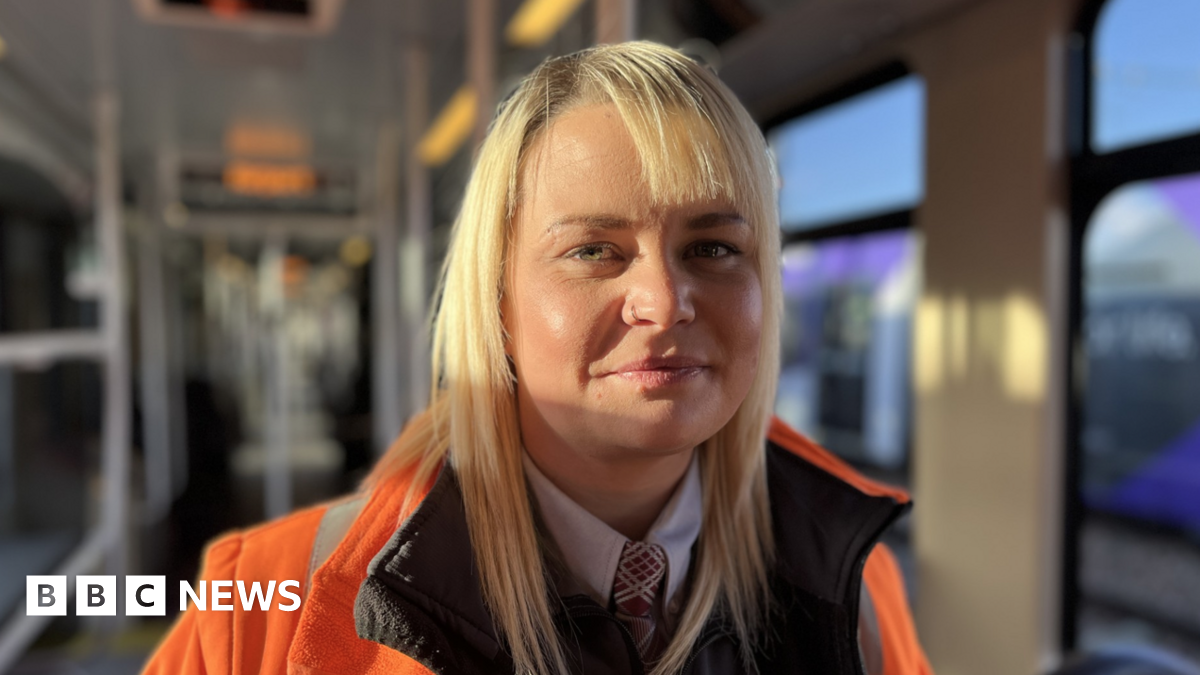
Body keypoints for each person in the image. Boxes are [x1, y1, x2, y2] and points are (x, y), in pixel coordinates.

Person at [142, 41, 932, 675]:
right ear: (498, 303)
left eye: (714, 246)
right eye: (594, 249)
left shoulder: (856, 591)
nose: (664, 299)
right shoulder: (260, 611)